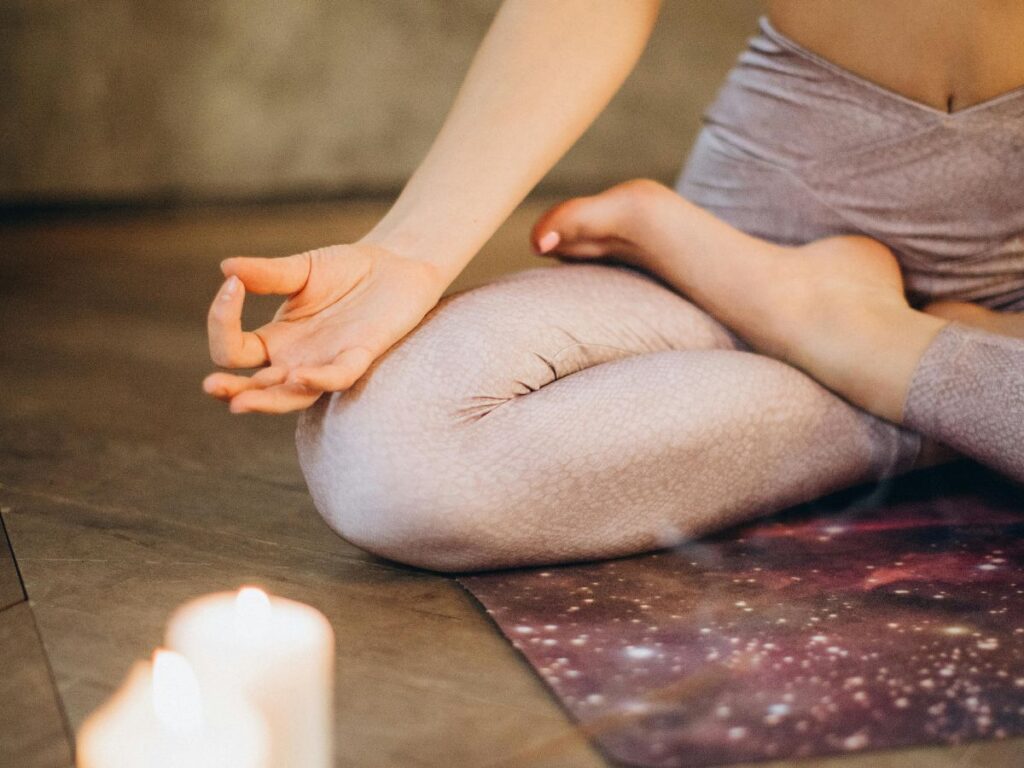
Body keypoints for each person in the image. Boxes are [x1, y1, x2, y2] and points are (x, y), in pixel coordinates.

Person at [202, 1, 1024, 571]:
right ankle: (909, 361)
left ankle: (861, 338)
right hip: (757, 232)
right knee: (384, 458)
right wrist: (413, 252)